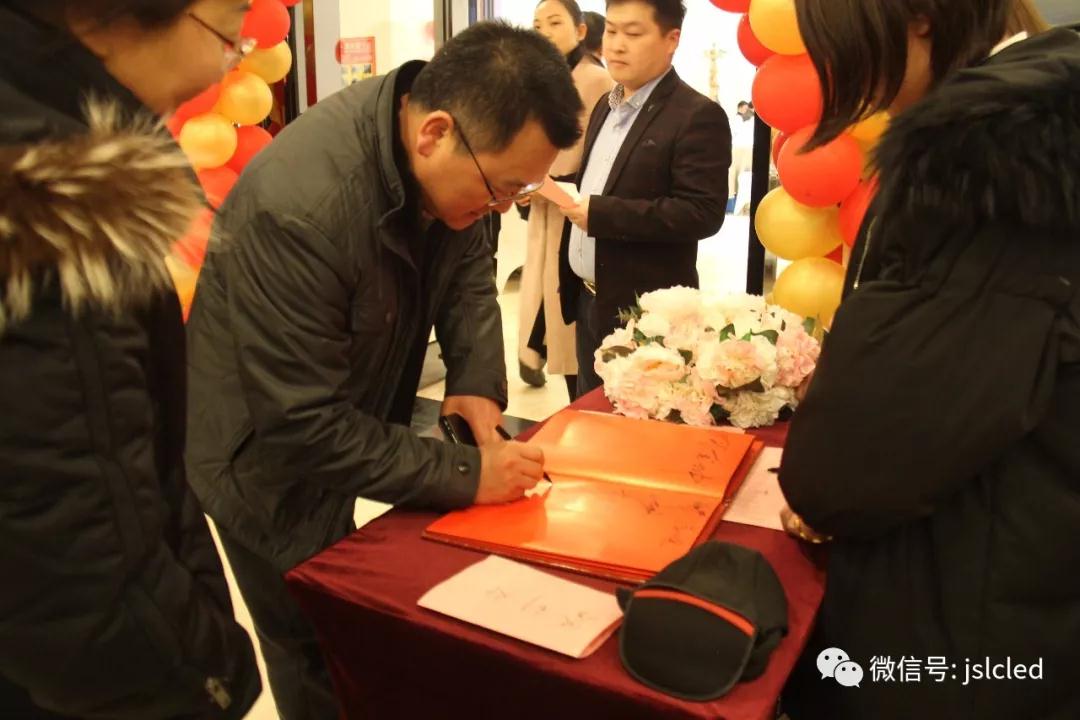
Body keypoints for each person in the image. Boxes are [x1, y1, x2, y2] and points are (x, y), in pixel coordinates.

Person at [185, 22, 583, 719]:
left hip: (344, 408)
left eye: (517, 195)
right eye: (499, 190)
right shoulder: (302, 209)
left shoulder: (453, 159)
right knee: (312, 640)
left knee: (359, 615)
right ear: (433, 134)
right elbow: (303, 426)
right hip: (260, 457)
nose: (499, 209)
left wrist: (475, 382)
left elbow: (468, 268)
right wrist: (467, 473)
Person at [777, 1, 1080, 718]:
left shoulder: (991, 158)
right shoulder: (1032, 125)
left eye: (838, 43)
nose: (838, 74)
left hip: (963, 624)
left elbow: (850, 470)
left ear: (917, 15)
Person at [0, 1, 262, 718]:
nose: (229, 63)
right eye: (230, 31)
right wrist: (217, 679)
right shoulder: (50, 201)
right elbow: (83, 584)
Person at [558, 0, 731, 397]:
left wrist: (602, 214)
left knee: (631, 421)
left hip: (643, 311)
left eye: (633, 33)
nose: (616, 44)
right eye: (611, 30)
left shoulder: (696, 115)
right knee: (589, 412)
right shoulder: (605, 105)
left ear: (672, 40)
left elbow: (702, 212)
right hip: (587, 298)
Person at [519, 0, 614, 398]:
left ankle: (575, 390)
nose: (544, 31)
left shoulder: (595, 79)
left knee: (567, 313)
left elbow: (595, 156)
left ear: (580, 31)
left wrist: (550, 183)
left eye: (554, 22)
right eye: (537, 24)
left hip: (574, 209)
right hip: (545, 203)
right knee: (546, 301)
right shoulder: (543, 80)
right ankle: (540, 359)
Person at [729, 100, 754, 213]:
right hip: (740, 149)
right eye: (744, 108)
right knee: (737, 178)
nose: (746, 110)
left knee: (740, 178)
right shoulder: (737, 120)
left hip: (742, 148)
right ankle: (734, 205)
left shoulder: (747, 120)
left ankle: (736, 205)